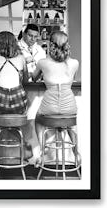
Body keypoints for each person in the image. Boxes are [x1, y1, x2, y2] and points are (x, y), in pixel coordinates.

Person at [0, 31, 31, 163]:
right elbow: (26, 81)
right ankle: (24, 146)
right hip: (18, 102)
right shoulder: (21, 57)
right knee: (21, 113)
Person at [32, 30, 79, 165]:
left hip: (49, 108)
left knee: (37, 119)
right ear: (67, 45)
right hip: (69, 107)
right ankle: (77, 153)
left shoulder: (42, 62)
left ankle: (42, 151)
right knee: (71, 125)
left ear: (50, 44)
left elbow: (34, 79)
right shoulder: (75, 63)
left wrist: (45, 75)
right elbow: (73, 79)